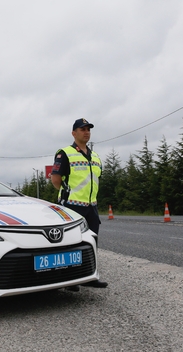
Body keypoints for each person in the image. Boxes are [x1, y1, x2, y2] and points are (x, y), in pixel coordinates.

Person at [51, 118, 108, 290]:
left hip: (91, 206)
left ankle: (89, 276)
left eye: (88, 129)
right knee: (71, 244)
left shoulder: (95, 156)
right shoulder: (65, 153)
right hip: (72, 206)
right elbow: (55, 179)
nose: (86, 132)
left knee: (90, 243)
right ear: (73, 133)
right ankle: (69, 280)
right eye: (82, 129)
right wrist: (68, 194)